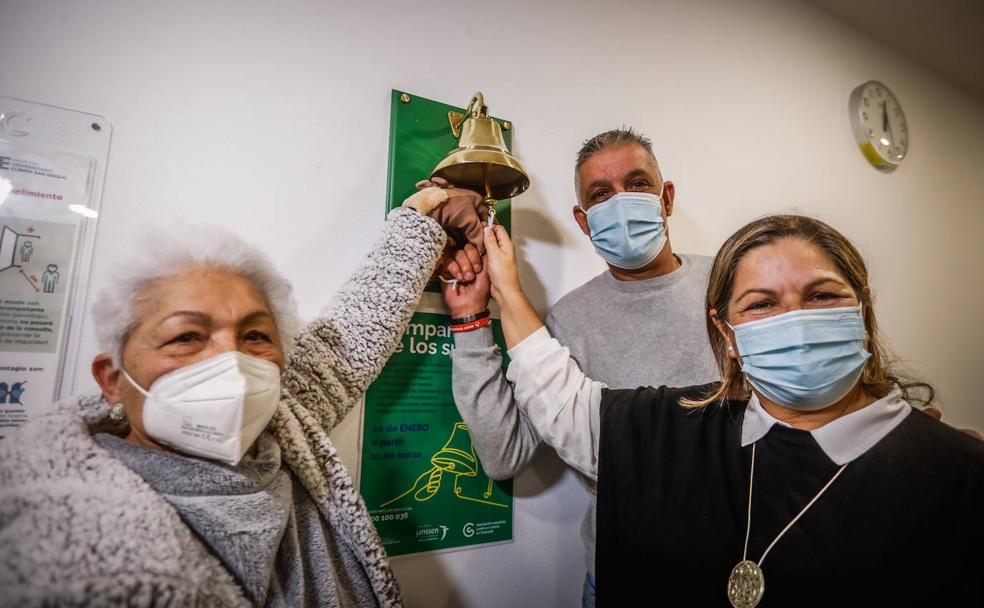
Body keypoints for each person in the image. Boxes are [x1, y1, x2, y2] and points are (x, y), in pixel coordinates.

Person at [0, 184, 487, 606]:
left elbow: (348, 340)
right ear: (112, 378)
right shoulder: (65, 545)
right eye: (187, 337)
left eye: (255, 336)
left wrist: (428, 216)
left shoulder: (281, 429)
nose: (230, 365)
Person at [481, 213, 984, 606]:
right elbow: (557, 397)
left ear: (862, 310)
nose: (796, 320)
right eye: (761, 304)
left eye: (822, 295)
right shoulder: (676, 427)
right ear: (728, 333)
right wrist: (504, 289)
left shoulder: (958, 472)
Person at [440, 128, 717, 604]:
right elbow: (503, 454)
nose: (621, 202)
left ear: (666, 198)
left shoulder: (733, 285)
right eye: (601, 194)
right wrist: (471, 320)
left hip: (736, 566)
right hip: (619, 577)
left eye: (638, 184)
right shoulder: (567, 320)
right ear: (584, 221)